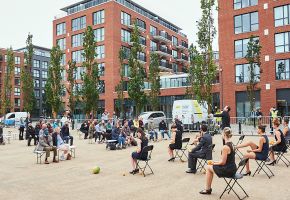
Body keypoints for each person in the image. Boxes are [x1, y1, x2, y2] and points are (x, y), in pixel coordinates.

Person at [200, 128, 236, 195]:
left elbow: (223, 162)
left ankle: (207, 189)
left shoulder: (225, 147)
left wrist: (214, 163)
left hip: (228, 170)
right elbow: (225, 160)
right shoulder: (232, 144)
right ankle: (208, 189)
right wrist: (215, 162)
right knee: (210, 166)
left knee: (208, 167)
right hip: (232, 168)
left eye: (222, 133)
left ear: (224, 135)